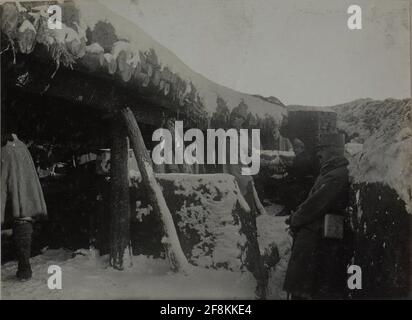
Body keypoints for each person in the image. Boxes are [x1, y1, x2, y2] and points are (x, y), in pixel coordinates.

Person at [283, 133, 350, 299]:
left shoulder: (336, 175)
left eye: (323, 149)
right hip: (318, 231)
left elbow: (314, 205)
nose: (318, 154)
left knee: (307, 282)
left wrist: (295, 219)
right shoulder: (330, 171)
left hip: (317, 236)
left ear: (334, 151)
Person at [1, 133, 47, 281]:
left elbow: (2, 179)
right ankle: (24, 268)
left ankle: (24, 268)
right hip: (24, 195)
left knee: (21, 225)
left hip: (13, 193)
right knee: (23, 223)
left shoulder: (6, 150)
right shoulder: (22, 148)